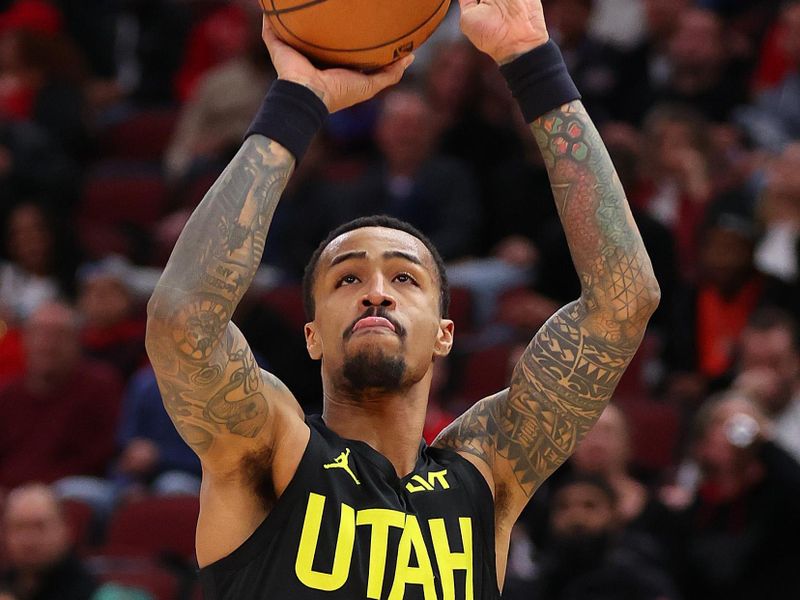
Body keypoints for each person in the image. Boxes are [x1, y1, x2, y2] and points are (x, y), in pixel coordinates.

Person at [144, 1, 660, 597]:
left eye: (406, 278)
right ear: (310, 334)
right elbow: (183, 317)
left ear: (446, 331)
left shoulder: (485, 472)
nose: (377, 293)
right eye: (347, 279)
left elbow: (624, 301)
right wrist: (297, 100)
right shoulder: (270, 451)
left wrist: (533, 62)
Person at [0, 483, 98, 600]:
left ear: (65, 529)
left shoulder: (95, 593)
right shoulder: (5, 585)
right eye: (18, 527)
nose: (28, 539)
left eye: (39, 526)